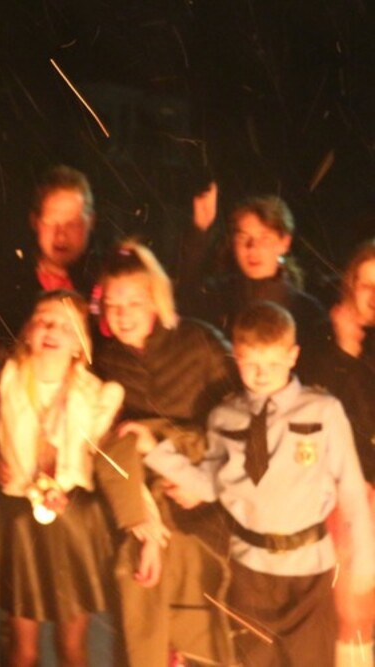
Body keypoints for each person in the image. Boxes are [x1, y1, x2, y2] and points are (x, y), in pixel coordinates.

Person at [140, 301, 375, 666]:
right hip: (250, 571)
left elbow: (351, 489)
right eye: (251, 363)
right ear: (236, 357)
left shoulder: (323, 410)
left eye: (273, 363)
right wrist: (155, 452)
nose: (262, 374)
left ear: (293, 355)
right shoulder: (225, 417)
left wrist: (365, 561)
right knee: (254, 659)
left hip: (309, 571)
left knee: (312, 659)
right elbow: (211, 485)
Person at [0, 290, 164, 667]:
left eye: (66, 327)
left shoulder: (96, 395)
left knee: (72, 648)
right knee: (22, 650)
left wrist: (149, 530)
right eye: (44, 320)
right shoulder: (5, 380)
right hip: (21, 523)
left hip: (76, 522)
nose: (52, 329)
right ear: (28, 331)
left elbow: (119, 467)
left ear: (79, 345)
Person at [94, 241, 238, 666]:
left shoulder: (198, 341)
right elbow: (108, 445)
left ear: (155, 298)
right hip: (148, 510)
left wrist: (203, 483)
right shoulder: (108, 362)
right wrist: (141, 518)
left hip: (204, 507)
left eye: (134, 302)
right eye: (113, 304)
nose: (123, 314)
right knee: (147, 632)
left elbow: (238, 423)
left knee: (205, 630)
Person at [298, 239, 375, 665]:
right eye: (365, 284)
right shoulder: (324, 337)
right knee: (353, 611)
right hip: (348, 492)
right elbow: (319, 413)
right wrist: (344, 352)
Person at [177, 194, 329, 352]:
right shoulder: (219, 296)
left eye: (264, 238)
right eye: (243, 237)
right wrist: (200, 230)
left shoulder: (307, 311)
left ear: (284, 243)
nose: (252, 247)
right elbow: (187, 300)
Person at [0, 166, 100, 339]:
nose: (61, 235)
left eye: (72, 224)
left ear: (91, 222)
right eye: (51, 222)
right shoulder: (6, 285)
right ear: (35, 221)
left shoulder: (105, 281)